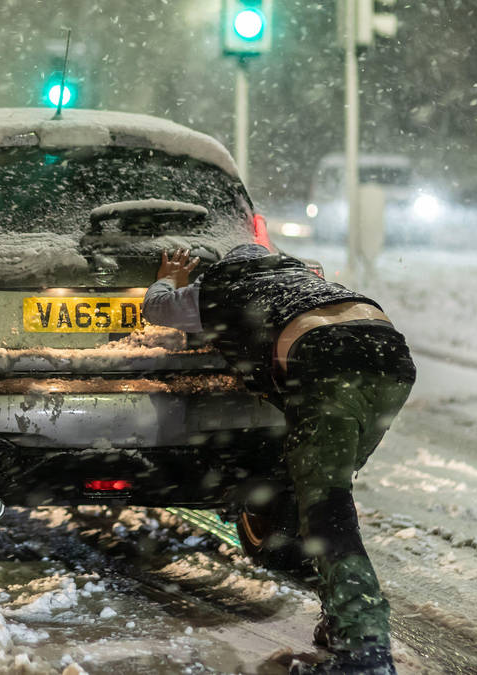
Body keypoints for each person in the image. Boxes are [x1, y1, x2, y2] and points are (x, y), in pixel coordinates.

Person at [143, 245, 416, 675]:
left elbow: (156, 308)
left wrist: (170, 279)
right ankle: (343, 621)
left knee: (327, 509)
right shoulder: (301, 278)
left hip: (327, 359)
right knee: (320, 494)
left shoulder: (222, 286)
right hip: (392, 357)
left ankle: (365, 651)